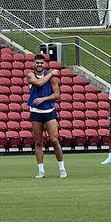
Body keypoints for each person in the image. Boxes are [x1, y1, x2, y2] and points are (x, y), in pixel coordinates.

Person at [25, 51, 66, 179]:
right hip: (36, 112)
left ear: (45, 64)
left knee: (54, 140)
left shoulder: (52, 77)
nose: (39, 65)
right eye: (37, 63)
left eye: (41, 63)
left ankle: (62, 168)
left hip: (48, 110)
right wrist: (51, 74)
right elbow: (38, 83)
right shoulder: (30, 75)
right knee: (38, 141)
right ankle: (41, 170)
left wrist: (43, 99)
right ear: (33, 64)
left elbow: (57, 95)